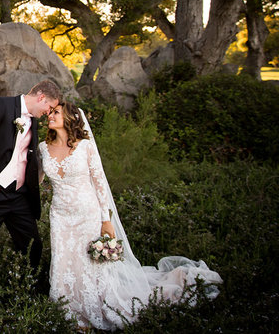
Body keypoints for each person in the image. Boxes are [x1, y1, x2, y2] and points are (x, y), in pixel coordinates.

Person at [39, 101, 222, 330]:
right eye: (51, 112)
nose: (50, 116)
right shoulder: (43, 148)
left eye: (56, 112)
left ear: (69, 119)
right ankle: (67, 310)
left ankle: (93, 309)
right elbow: (36, 179)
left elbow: (99, 184)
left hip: (88, 213)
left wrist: (106, 220)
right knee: (64, 260)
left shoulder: (85, 146)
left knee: (89, 263)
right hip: (60, 216)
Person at [0, 80, 62, 282]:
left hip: (19, 195)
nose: (48, 113)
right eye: (49, 107)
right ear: (41, 97)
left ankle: (28, 285)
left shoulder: (33, 119)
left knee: (33, 243)